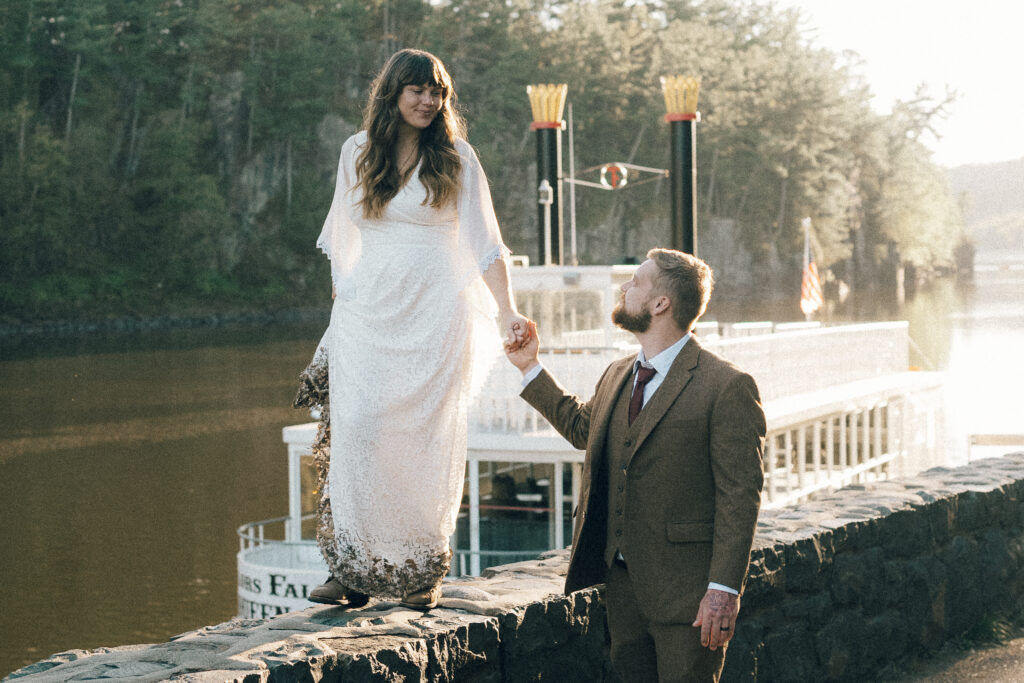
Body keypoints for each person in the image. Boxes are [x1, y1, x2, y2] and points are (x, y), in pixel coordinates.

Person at [299, 48, 528, 611]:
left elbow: (486, 243)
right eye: (417, 90)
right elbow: (342, 244)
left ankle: (422, 569)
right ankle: (352, 569)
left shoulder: (457, 157)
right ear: (393, 92)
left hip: (434, 315)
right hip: (367, 315)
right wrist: (341, 313)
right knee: (359, 430)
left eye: (437, 92)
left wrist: (508, 311)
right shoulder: (357, 151)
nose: (428, 101)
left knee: (426, 437)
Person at [504, 248, 765, 681]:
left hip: (689, 598)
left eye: (637, 281)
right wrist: (529, 366)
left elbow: (740, 498)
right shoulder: (618, 373)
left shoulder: (727, 386)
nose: (625, 287)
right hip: (622, 591)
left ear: (661, 303)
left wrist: (723, 589)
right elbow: (582, 428)